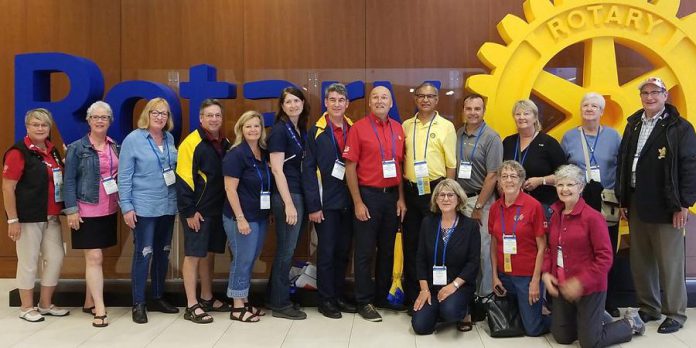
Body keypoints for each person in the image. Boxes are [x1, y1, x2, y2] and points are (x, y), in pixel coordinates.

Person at [616, 77, 696, 334]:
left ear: (665, 96)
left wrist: (683, 204)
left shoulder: (680, 127)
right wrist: (623, 198)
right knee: (641, 259)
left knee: (670, 261)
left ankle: (675, 313)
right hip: (637, 199)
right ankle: (649, 306)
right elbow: (624, 161)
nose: (649, 97)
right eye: (645, 93)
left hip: (667, 203)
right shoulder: (634, 124)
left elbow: (690, 166)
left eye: (655, 92)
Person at [543, 164, 644, 347]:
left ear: (580, 188)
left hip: (590, 287)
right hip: (562, 285)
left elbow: (605, 258)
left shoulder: (593, 218)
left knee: (590, 342)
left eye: (570, 184)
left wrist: (580, 282)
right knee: (562, 337)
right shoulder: (555, 214)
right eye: (560, 185)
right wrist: (546, 273)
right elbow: (550, 249)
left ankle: (631, 323)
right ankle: (596, 318)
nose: (564, 189)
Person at [343, 86, 406, 322]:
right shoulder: (358, 128)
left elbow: (399, 166)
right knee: (365, 252)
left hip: (391, 198)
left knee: (387, 251)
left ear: (391, 104)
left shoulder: (398, 129)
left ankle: (381, 297)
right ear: (369, 103)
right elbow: (350, 168)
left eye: (384, 98)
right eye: (375, 98)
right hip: (367, 196)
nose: (380, 101)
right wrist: (358, 202)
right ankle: (364, 301)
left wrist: (400, 198)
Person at [3, 108, 70, 322]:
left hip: (51, 217)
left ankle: (45, 303)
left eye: (44, 125)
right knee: (28, 261)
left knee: (56, 258)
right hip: (28, 218)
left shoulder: (53, 151)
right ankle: (26, 307)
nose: (40, 128)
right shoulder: (18, 152)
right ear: (27, 127)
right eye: (36, 124)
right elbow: (7, 188)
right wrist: (12, 219)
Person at [560, 92, 623, 317]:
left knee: (606, 251)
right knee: (580, 251)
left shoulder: (614, 136)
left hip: (607, 202)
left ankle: (608, 300)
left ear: (602, 111)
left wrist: (624, 199)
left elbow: (622, 168)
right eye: (585, 105)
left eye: (594, 106)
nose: (589, 109)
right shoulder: (569, 137)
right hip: (579, 201)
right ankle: (583, 297)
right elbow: (563, 170)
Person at [119, 97, 179, 324]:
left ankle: (157, 296)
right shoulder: (133, 139)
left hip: (167, 204)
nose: (160, 116)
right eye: (155, 112)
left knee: (163, 251)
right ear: (147, 114)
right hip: (143, 206)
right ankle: (138, 302)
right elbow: (124, 177)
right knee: (144, 253)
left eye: (164, 113)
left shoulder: (169, 138)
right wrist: (126, 206)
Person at [303, 83, 357, 319]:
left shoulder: (354, 128)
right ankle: (325, 300)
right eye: (332, 100)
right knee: (326, 252)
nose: (336, 104)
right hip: (325, 204)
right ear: (326, 102)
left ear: (347, 103)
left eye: (341, 100)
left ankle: (338, 295)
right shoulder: (316, 131)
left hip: (349, 201)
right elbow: (308, 171)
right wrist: (313, 206)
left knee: (343, 252)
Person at [401, 82, 457, 310]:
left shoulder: (446, 126)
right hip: (411, 189)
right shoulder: (405, 125)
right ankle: (414, 296)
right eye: (421, 96)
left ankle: (437, 294)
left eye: (430, 96)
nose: (425, 100)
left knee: (435, 243)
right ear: (415, 99)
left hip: (436, 189)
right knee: (411, 243)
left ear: (437, 100)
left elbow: (451, 164)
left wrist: (448, 196)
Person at [64, 101, 119, 327]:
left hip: (109, 207)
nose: (99, 121)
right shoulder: (77, 147)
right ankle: (100, 309)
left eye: (104, 117)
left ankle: (89, 301)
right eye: (95, 117)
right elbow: (68, 181)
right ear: (88, 120)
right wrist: (71, 210)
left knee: (99, 257)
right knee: (94, 258)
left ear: (110, 121)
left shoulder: (114, 145)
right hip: (85, 209)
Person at [175, 99, 232, 324]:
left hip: (217, 209)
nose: (214, 119)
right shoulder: (191, 143)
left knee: (208, 254)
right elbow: (183, 179)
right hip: (196, 211)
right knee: (193, 256)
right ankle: (191, 304)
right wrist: (189, 211)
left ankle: (207, 298)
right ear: (201, 118)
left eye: (217, 115)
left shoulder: (225, 142)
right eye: (209, 115)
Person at [455, 93, 503, 326]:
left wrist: (480, 206)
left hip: (480, 201)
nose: (473, 112)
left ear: (484, 111)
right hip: (460, 200)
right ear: (463, 110)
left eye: (477, 109)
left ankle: (484, 297)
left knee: (483, 251)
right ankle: (465, 294)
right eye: (469, 108)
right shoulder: (458, 133)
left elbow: (493, 175)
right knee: (463, 251)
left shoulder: (492, 138)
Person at [411, 179, 480, 335]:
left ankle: (465, 308)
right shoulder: (428, 223)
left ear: (459, 199)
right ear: (436, 199)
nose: (446, 199)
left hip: (459, 286)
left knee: (451, 311)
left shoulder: (470, 226)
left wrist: (453, 286)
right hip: (433, 286)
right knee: (420, 327)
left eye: (450, 195)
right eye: (441, 195)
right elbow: (420, 258)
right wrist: (424, 290)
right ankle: (439, 309)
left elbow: (473, 263)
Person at [488, 160, 549, 336]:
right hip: (504, 276)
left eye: (513, 176)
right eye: (504, 176)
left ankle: (562, 320)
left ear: (522, 181)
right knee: (509, 321)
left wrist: (535, 281)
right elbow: (494, 243)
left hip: (526, 277)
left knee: (532, 329)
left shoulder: (533, 206)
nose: (509, 180)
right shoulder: (494, 208)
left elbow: (542, 246)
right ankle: (536, 309)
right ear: (499, 181)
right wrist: (494, 277)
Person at [223, 110, 272, 323]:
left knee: (250, 259)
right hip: (240, 217)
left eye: (256, 126)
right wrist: (241, 218)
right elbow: (230, 189)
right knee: (241, 260)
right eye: (248, 126)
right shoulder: (236, 154)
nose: (253, 130)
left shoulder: (262, 152)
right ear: (241, 129)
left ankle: (244, 299)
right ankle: (236, 307)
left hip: (259, 215)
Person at [267, 87, 309, 320]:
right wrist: (288, 204)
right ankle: (280, 303)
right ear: (282, 106)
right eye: (288, 102)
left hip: (297, 193)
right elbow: (276, 169)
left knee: (287, 249)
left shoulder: (297, 129)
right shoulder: (280, 131)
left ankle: (274, 295)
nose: (293, 105)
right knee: (286, 250)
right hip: (288, 196)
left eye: (296, 100)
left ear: (303, 103)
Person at [502, 99, 566, 218]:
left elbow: (564, 175)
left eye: (526, 113)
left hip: (542, 204)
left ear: (535, 117)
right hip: (513, 203)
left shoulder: (548, 143)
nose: (521, 117)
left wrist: (541, 180)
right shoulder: (508, 142)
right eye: (518, 114)